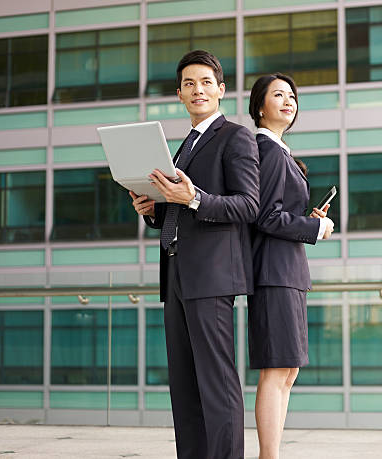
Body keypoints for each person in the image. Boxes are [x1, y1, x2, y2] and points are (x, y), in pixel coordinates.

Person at [130, 49, 259, 459]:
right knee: (185, 386)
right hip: (176, 272)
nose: (197, 89)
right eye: (189, 84)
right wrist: (154, 209)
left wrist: (196, 198)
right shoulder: (182, 145)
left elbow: (248, 205)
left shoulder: (236, 136)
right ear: (180, 96)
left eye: (206, 82)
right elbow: (179, 207)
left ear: (221, 90)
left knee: (217, 383)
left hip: (213, 276)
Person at [247, 73, 334, 459]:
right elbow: (265, 217)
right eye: (278, 95)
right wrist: (314, 227)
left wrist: (308, 220)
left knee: (288, 371)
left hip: (288, 272)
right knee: (277, 368)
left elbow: (279, 214)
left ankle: (273, 453)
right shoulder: (267, 151)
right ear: (260, 107)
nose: (288, 101)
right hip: (274, 273)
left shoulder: (282, 152)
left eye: (292, 96)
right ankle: (269, 456)